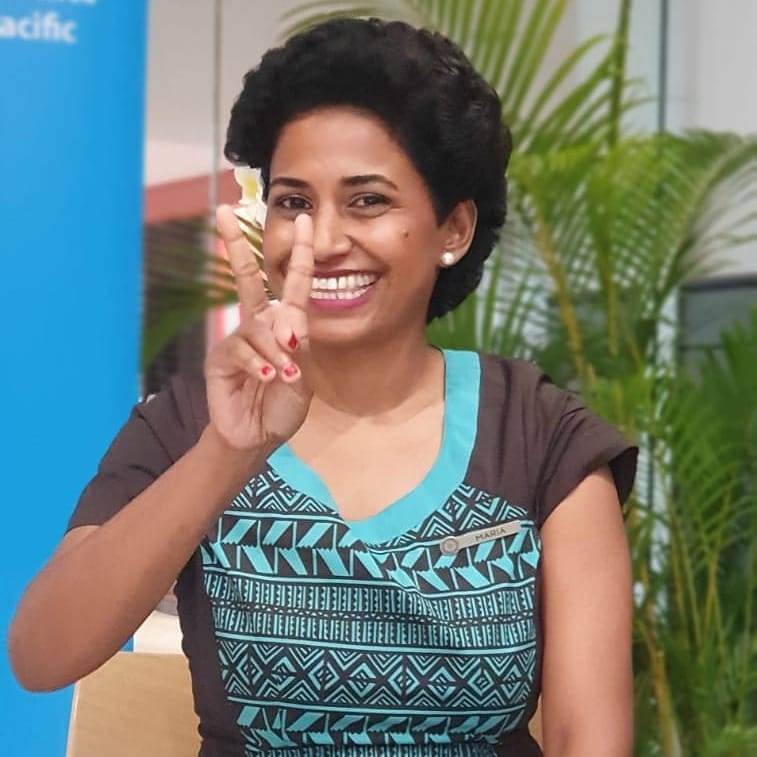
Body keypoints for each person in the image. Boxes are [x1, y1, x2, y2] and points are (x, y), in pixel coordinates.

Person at [8, 17, 638, 757]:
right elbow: (42, 655)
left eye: (367, 200)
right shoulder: (189, 422)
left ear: (453, 229)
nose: (324, 238)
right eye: (293, 202)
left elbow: (586, 737)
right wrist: (226, 455)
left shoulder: (538, 438)